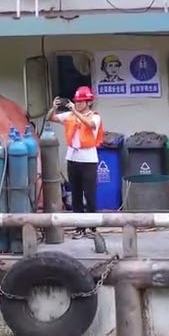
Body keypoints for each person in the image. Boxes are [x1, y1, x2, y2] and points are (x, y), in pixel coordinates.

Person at [47, 86, 103, 235]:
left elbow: (89, 124)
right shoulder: (70, 116)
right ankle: (80, 227)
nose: (78, 104)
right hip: (72, 158)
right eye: (76, 101)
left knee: (90, 194)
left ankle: (93, 227)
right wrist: (53, 108)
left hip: (89, 159)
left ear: (89, 102)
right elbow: (51, 118)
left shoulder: (95, 116)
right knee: (76, 194)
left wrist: (75, 112)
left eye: (81, 101)